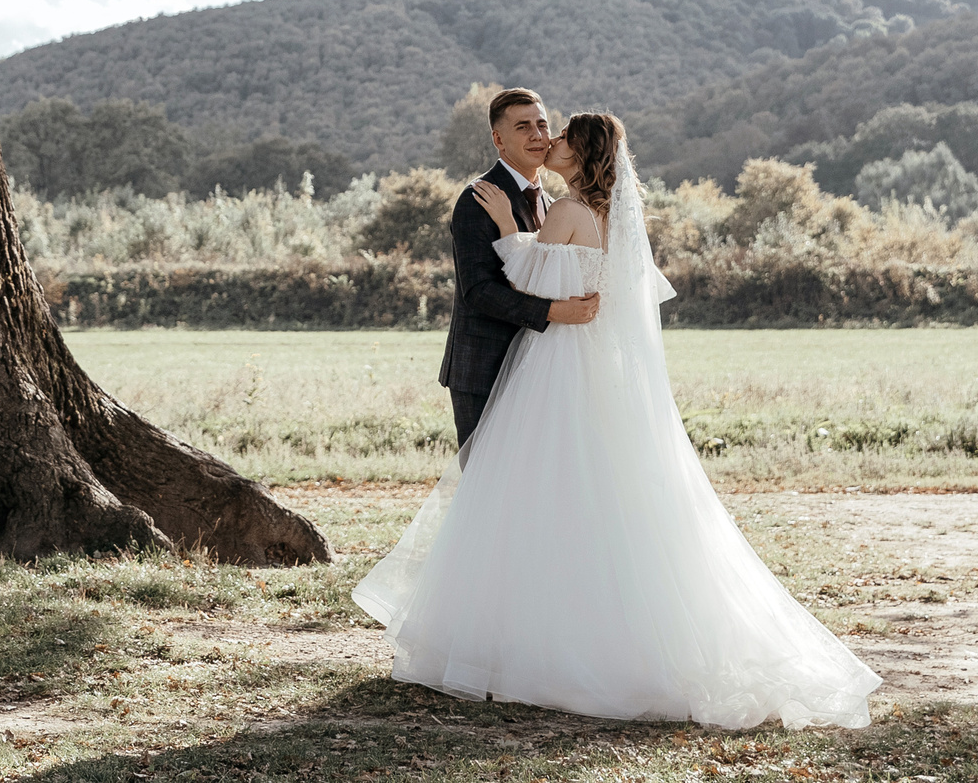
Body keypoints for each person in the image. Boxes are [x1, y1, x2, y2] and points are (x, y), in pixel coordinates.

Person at [357, 111, 881, 730]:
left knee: (524, 496)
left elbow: (527, 275)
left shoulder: (565, 209)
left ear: (578, 155)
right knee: (581, 496)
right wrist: (513, 233)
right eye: (531, 129)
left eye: (557, 134)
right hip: (583, 362)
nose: (546, 140)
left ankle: (522, 643)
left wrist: (508, 230)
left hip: (555, 363)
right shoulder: (607, 216)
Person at [439, 87, 598, 445]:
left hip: (538, 369)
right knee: (486, 484)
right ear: (499, 138)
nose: (538, 136)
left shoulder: (553, 203)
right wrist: (555, 312)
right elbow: (478, 291)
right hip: (484, 367)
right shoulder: (478, 198)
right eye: (523, 127)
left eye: (542, 125)